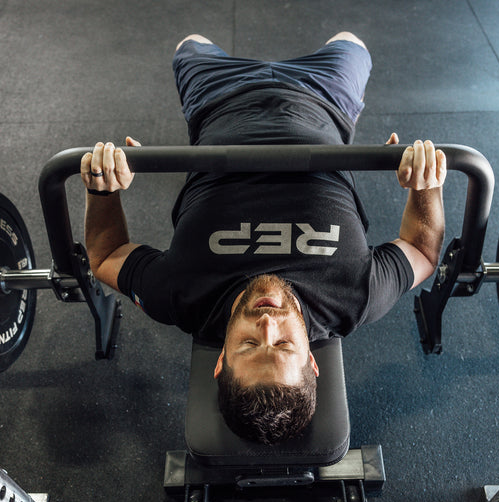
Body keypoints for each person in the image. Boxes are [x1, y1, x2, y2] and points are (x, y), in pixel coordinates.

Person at [80, 32, 446, 444]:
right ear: (312, 359)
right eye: (285, 346)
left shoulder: (181, 297)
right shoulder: (353, 296)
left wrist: (103, 189)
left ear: (220, 362)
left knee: (190, 41)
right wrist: (425, 186)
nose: (268, 323)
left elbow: (105, 254)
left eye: (250, 345)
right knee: (352, 42)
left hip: (218, 96)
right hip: (322, 97)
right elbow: (421, 251)